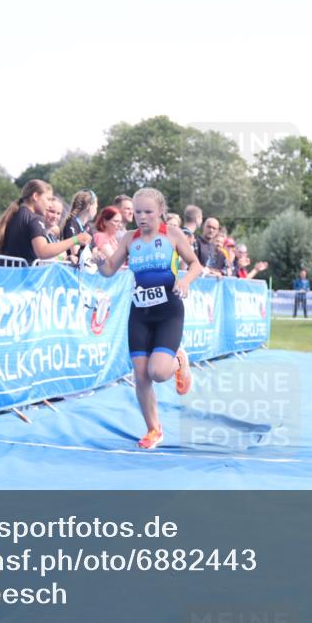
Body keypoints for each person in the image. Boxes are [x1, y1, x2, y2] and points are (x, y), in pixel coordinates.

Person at [95, 187, 203, 450]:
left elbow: (196, 264)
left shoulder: (173, 234)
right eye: (138, 212)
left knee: (158, 372)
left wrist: (186, 280)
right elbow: (110, 270)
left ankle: (179, 360)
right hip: (140, 313)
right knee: (141, 375)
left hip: (168, 311)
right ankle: (153, 429)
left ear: (161, 212)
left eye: (148, 212)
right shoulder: (129, 239)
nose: (142, 217)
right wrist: (100, 263)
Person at [0, 179, 90, 262]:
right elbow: (43, 251)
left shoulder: (15, 214)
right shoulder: (34, 219)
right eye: (48, 199)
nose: (50, 204)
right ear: (35, 196)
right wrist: (76, 239)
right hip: (26, 279)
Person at [61, 189, 99, 264]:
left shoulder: (88, 227)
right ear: (89, 206)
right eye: (96, 207)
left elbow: (95, 252)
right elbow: (76, 253)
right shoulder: (72, 223)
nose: (96, 211)